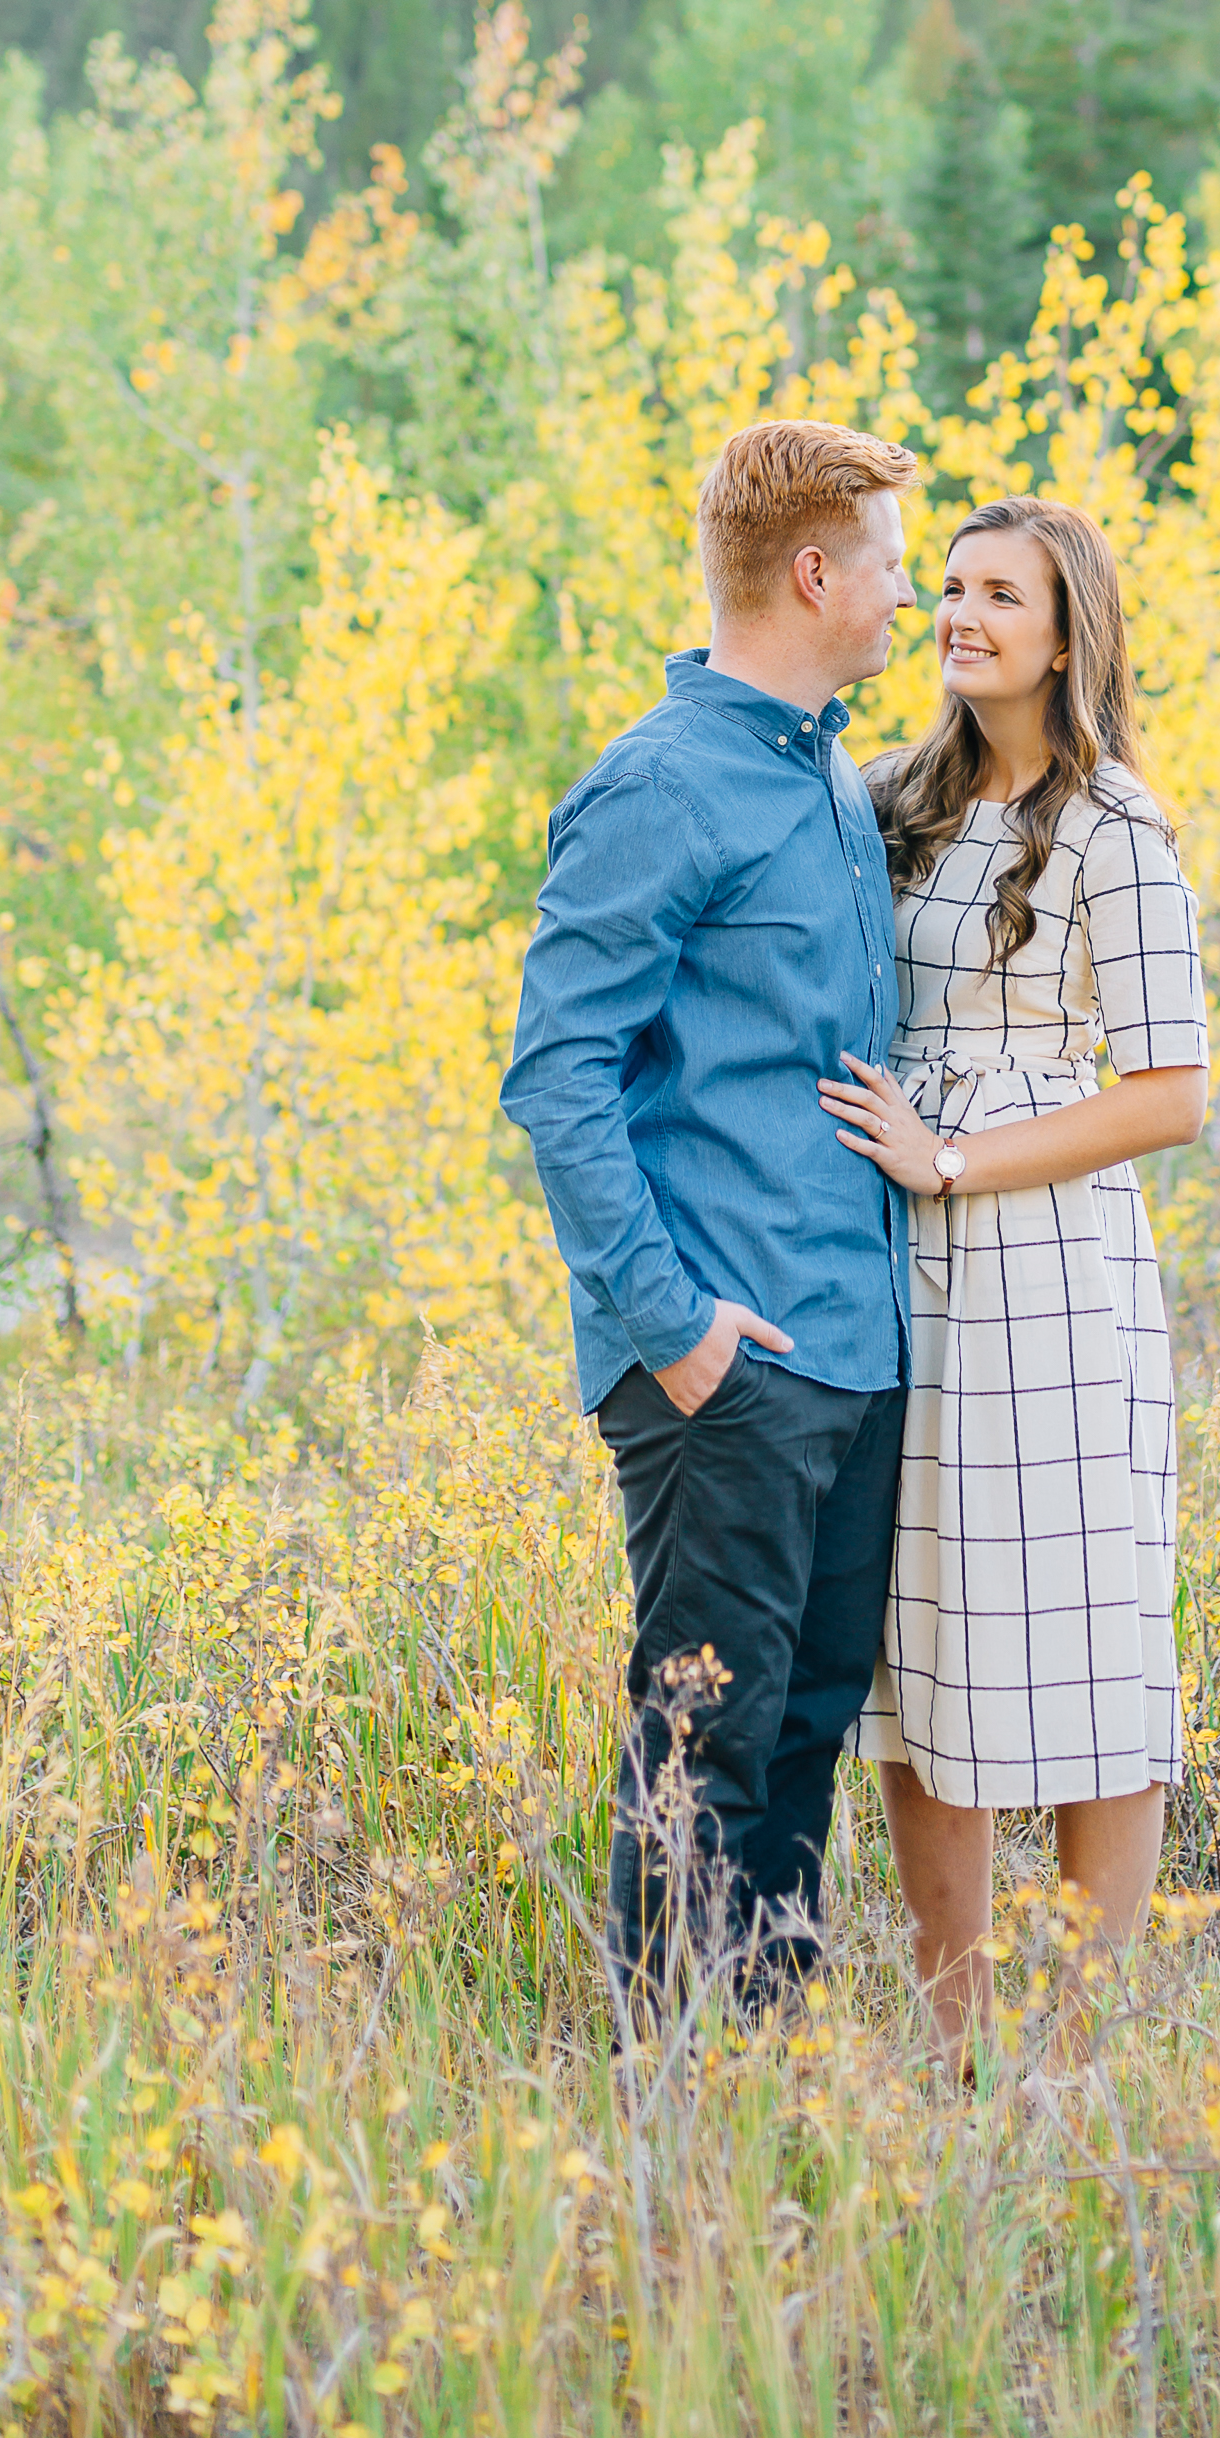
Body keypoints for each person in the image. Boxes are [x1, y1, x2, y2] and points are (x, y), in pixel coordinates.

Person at [502, 417, 920, 2004]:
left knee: (804, 1735)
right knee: (706, 1744)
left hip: (853, 1353)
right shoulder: (659, 785)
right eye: (889, 563)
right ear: (815, 573)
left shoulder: (824, 775)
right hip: (726, 1359)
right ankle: (670, 2115)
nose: (907, 598)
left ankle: (770, 2096)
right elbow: (559, 1078)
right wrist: (674, 1331)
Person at [817, 496, 1209, 2060]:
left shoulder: (1119, 828)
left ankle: (1075, 2061)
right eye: (954, 587)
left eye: (1003, 595)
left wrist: (959, 1161)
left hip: (1048, 1273)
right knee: (930, 1646)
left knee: (1087, 1635)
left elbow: (1175, 1092)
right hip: (894, 1267)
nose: (964, 615)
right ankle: (955, 2043)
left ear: (1066, 635)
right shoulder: (885, 799)